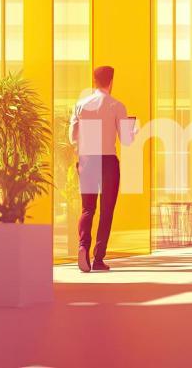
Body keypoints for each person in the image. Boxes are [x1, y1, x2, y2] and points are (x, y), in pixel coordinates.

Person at [70, 66, 133, 273]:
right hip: (108, 162)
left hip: (87, 159)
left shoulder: (81, 105)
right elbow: (126, 140)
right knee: (106, 210)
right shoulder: (116, 105)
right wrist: (134, 128)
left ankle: (82, 246)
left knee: (88, 208)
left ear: (94, 81)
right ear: (111, 81)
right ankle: (98, 258)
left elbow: (72, 137)